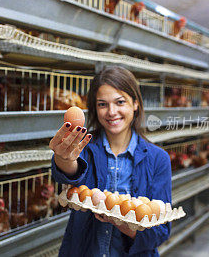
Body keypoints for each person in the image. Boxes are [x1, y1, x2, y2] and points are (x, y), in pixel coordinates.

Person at [49, 66, 172, 256]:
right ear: (94, 108)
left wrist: (119, 219)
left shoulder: (158, 159)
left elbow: (160, 233)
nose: (112, 112)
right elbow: (70, 171)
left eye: (120, 102)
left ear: (136, 104)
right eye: (102, 104)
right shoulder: (84, 148)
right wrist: (63, 157)